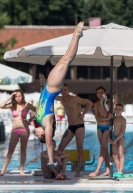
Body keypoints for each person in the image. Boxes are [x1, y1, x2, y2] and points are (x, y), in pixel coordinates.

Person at [34, 22, 84, 168]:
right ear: (43, 133)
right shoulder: (47, 124)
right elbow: (49, 143)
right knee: (66, 59)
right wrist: (50, 160)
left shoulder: (38, 120)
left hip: (48, 87)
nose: (35, 134)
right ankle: (77, 35)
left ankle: (77, 35)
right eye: (37, 135)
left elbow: (38, 103)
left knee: (65, 59)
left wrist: (42, 83)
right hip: (53, 88)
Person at [56, 84, 93, 177]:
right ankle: (61, 170)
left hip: (79, 126)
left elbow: (89, 103)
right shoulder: (61, 99)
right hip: (70, 127)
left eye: (65, 90)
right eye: (62, 90)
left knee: (79, 147)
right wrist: (44, 82)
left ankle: (78, 171)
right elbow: (49, 94)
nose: (63, 92)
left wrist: (83, 114)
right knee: (60, 148)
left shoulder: (75, 99)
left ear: (68, 90)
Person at [0, 89, 36, 175]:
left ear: (22, 96)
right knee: (10, 150)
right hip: (15, 130)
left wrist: (30, 120)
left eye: (19, 96)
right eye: (16, 96)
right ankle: (3, 170)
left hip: (24, 130)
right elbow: (1, 105)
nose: (18, 98)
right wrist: (10, 96)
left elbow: (37, 111)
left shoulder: (27, 105)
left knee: (23, 150)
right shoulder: (12, 105)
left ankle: (21, 170)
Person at [89, 86, 113, 177]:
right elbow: (97, 118)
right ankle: (107, 169)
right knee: (104, 148)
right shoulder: (95, 104)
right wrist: (106, 118)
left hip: (108, 128)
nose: (100, 94)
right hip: (99, 128)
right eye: (98, 93)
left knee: (103, 147)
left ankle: (97, 170)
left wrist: (103, 102)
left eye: (101, 92)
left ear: (105, 92)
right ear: (96, 94)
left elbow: (103, 113)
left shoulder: (110, 102)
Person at [108, 102, 126, 174]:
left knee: (121, 154)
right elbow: (109, 129)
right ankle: (118, 170)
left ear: (122, 110)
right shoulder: (113, 118)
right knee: (114, 155)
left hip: (120, 137)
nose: (118, 110)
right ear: (115, 109)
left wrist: (115, 140)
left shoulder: (123, 119)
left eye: (120, 109)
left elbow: (123, 131)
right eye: (117, 109)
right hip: (113, 136)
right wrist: (109, 139)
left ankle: (120, 171)